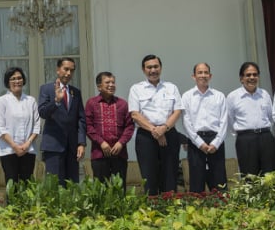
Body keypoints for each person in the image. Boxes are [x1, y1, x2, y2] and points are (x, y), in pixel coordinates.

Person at [128, 55, 183, 195]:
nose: (153, 70)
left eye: (156, 66)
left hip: (169, 134)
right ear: (143, 69)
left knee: (170, 176)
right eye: (149, 67)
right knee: (149, 178)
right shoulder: (136, 89)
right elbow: (135, 114)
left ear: (161, 67)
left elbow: (177, 111)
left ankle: (171, 210)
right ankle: (152, 211)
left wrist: (163, 128)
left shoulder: (171, 87)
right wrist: (155, 130)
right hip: (146, 136)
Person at [38, 57, 86, 185]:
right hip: (54, 145)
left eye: (72, 70)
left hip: (72, 147)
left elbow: (81, 118)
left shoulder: (75, 92)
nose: (69, 73)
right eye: (66, 69)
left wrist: (81, 143)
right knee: (54, 186)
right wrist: (56, 101)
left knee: (72, 185)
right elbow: (42, 112)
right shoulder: (46, 89)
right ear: (58, 70)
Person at [181, 63, 227, 192]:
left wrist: (216, 143)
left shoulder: (219, 96)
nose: (203, 75)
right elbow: (186, 122)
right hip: (196, 141)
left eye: (206, 73)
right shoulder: (187, 96)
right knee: (196, 181)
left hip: (215, 140)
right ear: (193, 76)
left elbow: (224, 122)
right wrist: (199, 143)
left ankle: (222, 209)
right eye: (200, 73)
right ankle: (197, 209)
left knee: (219, 181)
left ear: (210, 76)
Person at [85, 72, 135, 190]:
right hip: (99, 154)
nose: (111, 85)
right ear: (99, 86)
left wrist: (121, 143)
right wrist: (101, 142)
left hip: (120, 153)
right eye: (107, 82)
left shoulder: (122, 104)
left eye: (113, 82)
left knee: (120, 189)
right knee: (101, 190)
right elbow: (88, 126)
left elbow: (129, 126)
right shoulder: (91, 103)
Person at [226, 62, 275, 176]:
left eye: (255, 74)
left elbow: (270, 116)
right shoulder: (233, 97)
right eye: (248, 75)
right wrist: (242, 134)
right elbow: (230, 120)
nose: (252, 78)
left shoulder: (265, 94)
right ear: (241, 78)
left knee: (269, 174)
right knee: (249, 175)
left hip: (265, 137)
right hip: (245, 139)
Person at [0, 67, 40, 185]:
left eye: (19, 78)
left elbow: (37, 126)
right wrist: (14, 146)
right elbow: (0, 127)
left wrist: (27, 144)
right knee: (11, 184)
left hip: (28, 150)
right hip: (8, 150)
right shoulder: (2, 101)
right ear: (7, 82)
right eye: (13, 79)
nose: (17, 81)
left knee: (27, 185)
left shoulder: (31, 101)